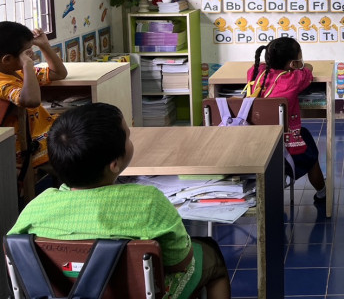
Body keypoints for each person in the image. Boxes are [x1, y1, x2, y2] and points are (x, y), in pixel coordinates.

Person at [8, 103, 231, 299]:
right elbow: (179, 262)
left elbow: (17, 258)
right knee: (212, 257)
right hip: (139, 293)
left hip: (64, 294)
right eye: (128, 136)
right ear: (114, 164)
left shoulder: (35, 208)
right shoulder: (148, 202)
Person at [246, 37, 326, 202]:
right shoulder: (293, 79)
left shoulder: (256, 73)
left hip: (258, 144)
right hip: (288, 148)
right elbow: (308, 69)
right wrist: (302, 66)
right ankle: (322, 193)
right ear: (293, 64)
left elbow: (257, 67)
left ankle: (275, 179)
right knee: (310, 150)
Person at [0, 21, 67, 175]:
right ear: (7, 59)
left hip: (47, 132)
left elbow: (59, 73)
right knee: (83, 151)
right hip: (31, 147)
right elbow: (31, 100)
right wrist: (28, 66)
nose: (31, 55)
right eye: (27, 53)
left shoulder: (17, 71)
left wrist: (44, 46)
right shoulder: (3, 82)